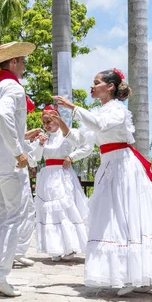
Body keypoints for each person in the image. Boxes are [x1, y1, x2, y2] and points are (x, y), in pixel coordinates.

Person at [54, 68, 152, 296]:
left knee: (128, 215)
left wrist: (73, 107)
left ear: (110, 86)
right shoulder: (100, 111)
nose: (92, 86)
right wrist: (62, 122)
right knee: (112, 218)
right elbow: (83, 140)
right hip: (109, 165)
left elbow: (100, 126)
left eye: (96, 82)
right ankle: (136, 273)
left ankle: (139, 274)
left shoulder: (117, 111)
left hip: (123, 167)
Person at [0, 41, 37, 297]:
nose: (24, 67)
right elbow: (3, 117)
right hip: (7, 161)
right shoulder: (12, 87)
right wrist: (18, 150)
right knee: (14, 217)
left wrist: (21, 138)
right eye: (22, 62)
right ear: (13, 62)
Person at [32, 106, 94, 262]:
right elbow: (35, 158)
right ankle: (56, 247)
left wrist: (72, 156)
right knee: (50, 212)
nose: (47, 125)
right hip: (47, 176)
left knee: (65, 210)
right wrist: (40, 144)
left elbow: (85, 146)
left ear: (57, 119)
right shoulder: (44, 138)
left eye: (50, 121)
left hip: (62, 174)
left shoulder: (67, 133)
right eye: (45, 122)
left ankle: (71, 246)